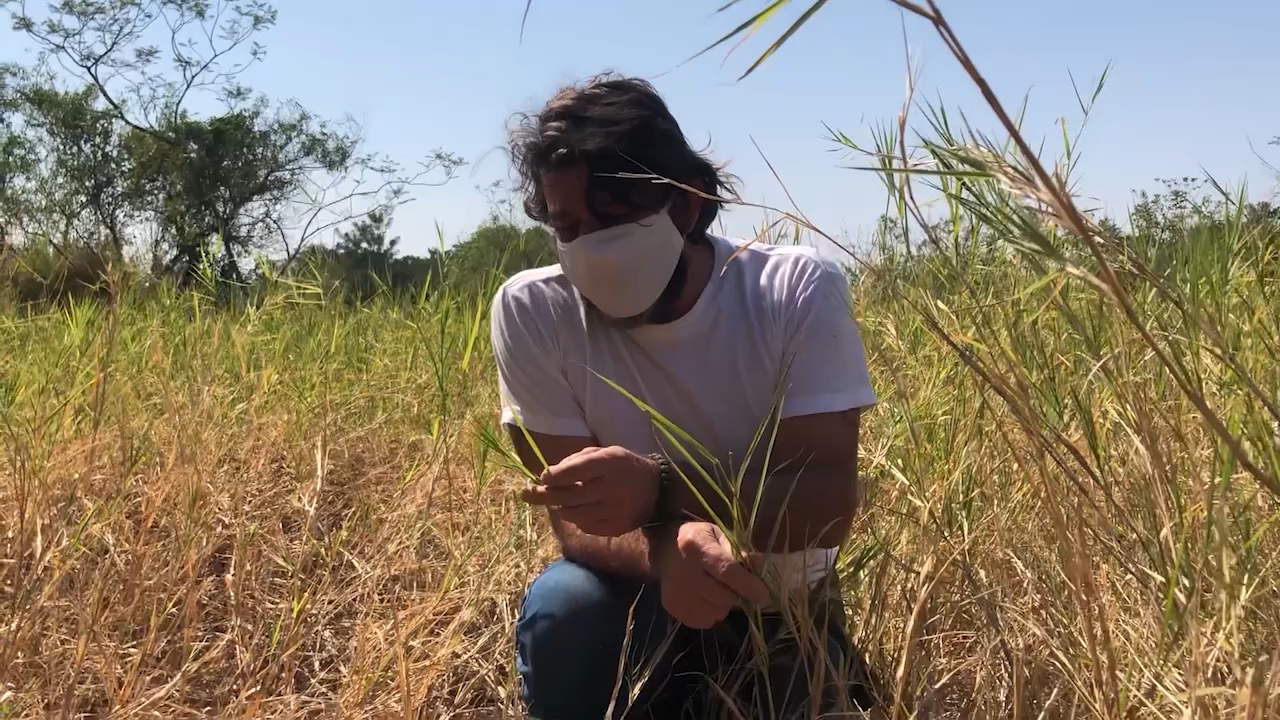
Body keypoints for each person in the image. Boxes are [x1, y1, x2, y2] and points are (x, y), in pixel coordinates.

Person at [492, 73, 882, 720]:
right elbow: (572, 516)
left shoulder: (791, 291)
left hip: (773, 592)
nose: (590, 246)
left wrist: (660, 490)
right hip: (632, 586)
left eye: (615, 217)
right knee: (567, 612)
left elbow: (825, 497)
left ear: (689, 205)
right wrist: (665, 549)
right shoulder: (534, 310)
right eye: (567, 224)